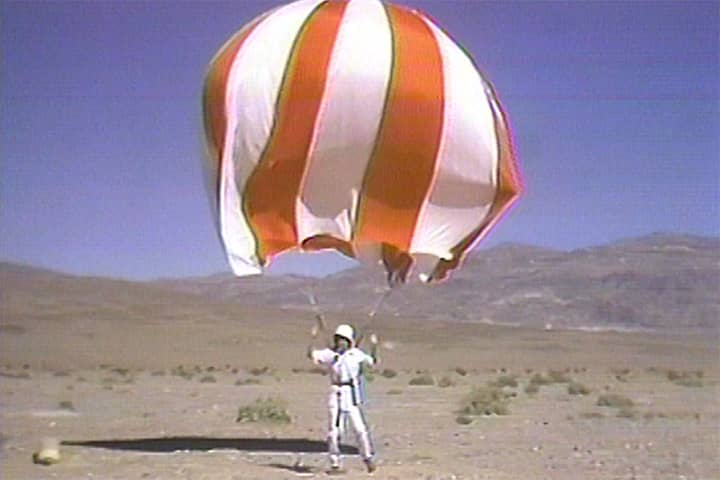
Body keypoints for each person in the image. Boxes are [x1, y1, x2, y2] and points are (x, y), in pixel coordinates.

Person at [307, 322, 378, 474]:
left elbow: (372, 362)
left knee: (360, 429)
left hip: (351, 393)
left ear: (349, 341)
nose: (341, 342)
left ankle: (367, 458)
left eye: (344, 339)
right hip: (335, 391)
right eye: (339, 339)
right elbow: (311, 355)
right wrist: (313, 338)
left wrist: (373, 346)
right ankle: (335, 463)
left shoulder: (356, 354)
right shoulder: (330, 354)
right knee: (334, 430)